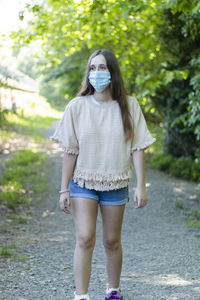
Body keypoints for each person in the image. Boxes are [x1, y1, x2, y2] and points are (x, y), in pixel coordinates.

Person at [50, 49, 156, 300]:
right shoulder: (77, 106)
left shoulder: (129, 105)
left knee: (111, 241)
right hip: (83, 183)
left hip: (116, 182)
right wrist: (64, 188)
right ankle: (81, 295)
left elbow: (138, 147)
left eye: (102, 67)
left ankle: (113, 290)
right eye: (92, 68)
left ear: (112, 72)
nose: (96, 73)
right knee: (85, 238)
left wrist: (142, 186)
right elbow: (70, 151)